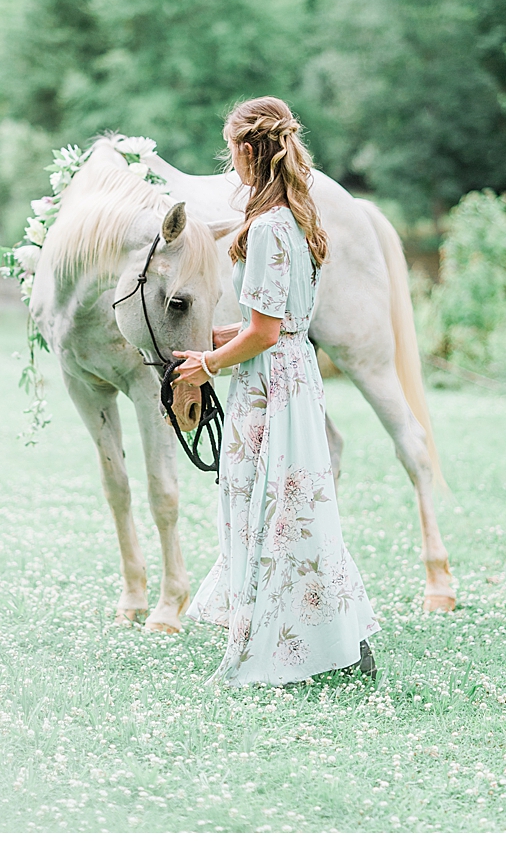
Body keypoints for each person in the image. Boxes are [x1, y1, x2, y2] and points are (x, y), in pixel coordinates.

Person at [172, 96, 379, 687]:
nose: (230, 161)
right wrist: (226, 333)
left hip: (267, 391)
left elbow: (265, 331)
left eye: (231, 147)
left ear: (247, 150)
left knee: (264, 507)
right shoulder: (296, 219)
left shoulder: (264, 228)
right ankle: (344, 633)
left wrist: (206, 362)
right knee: (300, 508)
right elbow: (283, 324)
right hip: (297, 377)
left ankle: (275, 644)